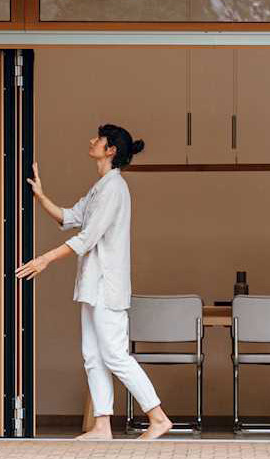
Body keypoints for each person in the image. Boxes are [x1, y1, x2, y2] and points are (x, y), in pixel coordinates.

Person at [14, 123, 174, 441]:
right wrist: (41, 196)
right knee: (92, 354)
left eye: (98, 139)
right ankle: (102, 425)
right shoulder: (100, 187)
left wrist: (44, 259)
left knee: (114, 354)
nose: (92, 141)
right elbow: (69, 217)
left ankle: (158, 417)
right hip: (92, 286)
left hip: (107, 286)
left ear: (110, 150)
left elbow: (86, 239)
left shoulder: (114, 188)